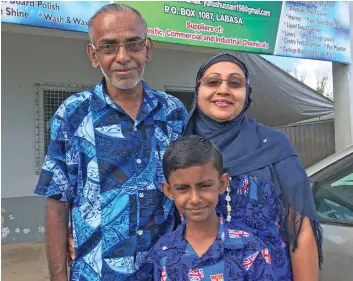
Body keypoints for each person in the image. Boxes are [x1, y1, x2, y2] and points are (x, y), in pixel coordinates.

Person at [34, 3, 188, 281]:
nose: (123, 57)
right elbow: (57, 203)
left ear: (148, 50)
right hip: (96, 274)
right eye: (108, 47)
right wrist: (58, 276)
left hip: (165, 271)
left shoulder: (174, 112)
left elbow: (187, 192)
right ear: (94, 55)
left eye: (133, 44)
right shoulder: (72, 114)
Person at [184, 53, 322, 281]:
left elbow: (301, 229)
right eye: (213, 82)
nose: (224, 89)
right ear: (198, 90)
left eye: (235, 83)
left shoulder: (273, 145)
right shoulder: (178, 146)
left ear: (247, 94)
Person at [135, 135, 286, 281]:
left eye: (204, 186)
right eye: (182, 188)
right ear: (169, 191)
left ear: (222, 184)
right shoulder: (163, 252)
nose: (195, 199)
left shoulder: (250, 249)